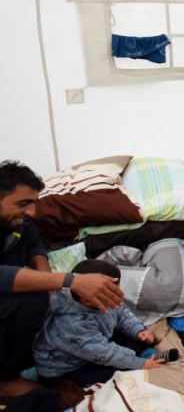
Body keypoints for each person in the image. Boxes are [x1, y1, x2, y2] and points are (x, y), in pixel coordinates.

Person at [0, 161, 124, 399]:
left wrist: (45, 273)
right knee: (32, 298)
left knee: (45, 298)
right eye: (22, 204)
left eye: (34, 203)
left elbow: (33, 242)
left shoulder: (17, 221)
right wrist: (68, 281)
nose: (32, 212)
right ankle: (5, 380)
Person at [32, 260, 177, 388]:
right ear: (87, 300)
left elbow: (120, 313)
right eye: (112, 291)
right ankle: (143, 361)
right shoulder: (71, 324)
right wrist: (139, 365)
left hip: (94, 344)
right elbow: (104, 353)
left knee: (130, 334)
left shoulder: (98, 300)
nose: (117, 294)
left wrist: (137, 330)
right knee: (117, 372)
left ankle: (147, 353)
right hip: (67, 370)